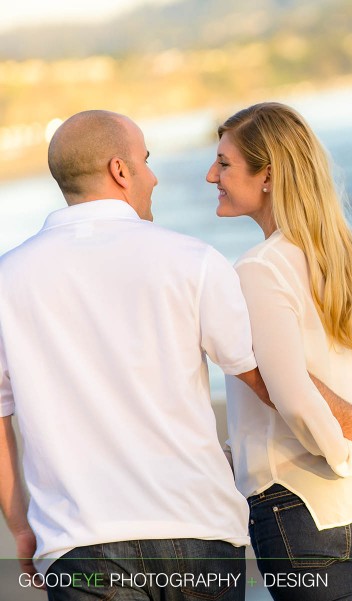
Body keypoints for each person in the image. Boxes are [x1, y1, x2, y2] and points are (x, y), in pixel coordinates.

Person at [0, 110, 273, 600]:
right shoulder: (193, 260)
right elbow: (261, 379)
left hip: (80, 542)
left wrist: (21, 526)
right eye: (145, 160)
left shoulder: (6, 280)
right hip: (199, 528)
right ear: (119, 170)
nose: (153, 175)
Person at [207, 102, 352, 601]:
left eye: (224, 163)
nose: (210, 174)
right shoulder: (346, 260)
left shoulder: (258, 269)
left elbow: (293, 393)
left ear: (268, 176)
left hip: (306, 505)